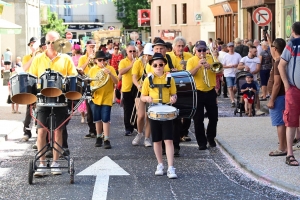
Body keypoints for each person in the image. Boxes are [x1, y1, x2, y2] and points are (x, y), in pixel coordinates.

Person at [29, 31, 77, 176]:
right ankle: (42, 164)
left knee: (58, 131)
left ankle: (55, 163)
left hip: (60, 99)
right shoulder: (38, 58)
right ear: (45, 44)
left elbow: (73, 77)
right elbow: (32, 78)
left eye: (53, 42)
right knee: (41, 131)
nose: (51, 45)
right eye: (48, 42)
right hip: (43, 100)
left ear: (59, 42)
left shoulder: (66, 59)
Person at [141, 53, 178, 179]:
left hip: (167, 111)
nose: (158, 67)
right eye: (155, 65)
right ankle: (160, 164)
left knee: (168, 140)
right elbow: (142, 96)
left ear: (164, 65)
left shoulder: (170, 79)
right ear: (151, 66)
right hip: (154, 111)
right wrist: (147, 98)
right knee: (156, 140)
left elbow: (174, 94)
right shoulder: (148, 79)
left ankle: (171, 167)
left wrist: (173, 98)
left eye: (161, 64)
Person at [187, 40, 218, 150]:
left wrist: (210, 67)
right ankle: (202, 142)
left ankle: (211, 137)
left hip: (210, 91)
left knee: (214, 117)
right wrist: (198, 66)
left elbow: (220, 70)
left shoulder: (211, 58)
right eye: (199, 50)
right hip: (197, 92)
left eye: (203, 50)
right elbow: (189, 74)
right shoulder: (191, 60)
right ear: (195, 50)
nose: (201, 52)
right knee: (198, 119)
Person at [278, 22, 300, 166]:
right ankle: (290, 154)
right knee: (291, 120)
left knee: (291, 121)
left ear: (292, 30)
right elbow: (281, 65)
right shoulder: (293, 44)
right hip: (294, 88)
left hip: (292, 87)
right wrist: (286, 85)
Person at [88, 51, 118, 148]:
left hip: (107, 97)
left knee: (105, 118)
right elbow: (91, 83)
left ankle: (107, 139)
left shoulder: (110, 68)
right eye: (99, 60)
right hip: (96, 97)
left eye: (104, 60)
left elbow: (116, 81)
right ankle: (98, 137)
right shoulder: (92, 70)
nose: (102, 62)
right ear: (95, 60)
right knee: (97, 119)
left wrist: (110, 74)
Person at [266, 37, 287, 156]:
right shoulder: (281, 59)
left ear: (275, 49)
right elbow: (273, 48)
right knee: (282, 122)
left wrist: (271, 99)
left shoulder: (278, 62)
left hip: (278, 96)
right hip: (282, 96)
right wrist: (269, 41)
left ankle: (282, 148)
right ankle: (284, 145)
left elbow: (277, 83)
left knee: (279, 122)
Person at [131, 43, 153, 147]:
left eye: (150, 55)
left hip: (151, 91)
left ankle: (147, 138)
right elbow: (134, 77)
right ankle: (139, 133)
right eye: (147, 55)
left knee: (149, 116)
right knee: (140, 116)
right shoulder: (138, 62)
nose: (148, 57)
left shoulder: (155, 63)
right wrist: (138, 85)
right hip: (140, 90)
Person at [237, 46, 265, 116]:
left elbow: (258, 69)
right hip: (245, 80)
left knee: (256, 94)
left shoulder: (257, 59)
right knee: (244, 95)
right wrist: (244, 66)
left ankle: (257, 109)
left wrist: (253, 72)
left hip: (254, 79)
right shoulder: (244, 59)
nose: (256, 53)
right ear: (250, 51)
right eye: (255, 51)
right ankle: (244, 108)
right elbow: (238, 67)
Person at [78, 40, 97, 138]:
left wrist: (95, 60)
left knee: (97, 106)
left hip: (97, 83)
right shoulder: (82, 58)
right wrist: (88, 60)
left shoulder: (98, 57)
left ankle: (99, 129)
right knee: (89, 107)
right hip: (87, 83)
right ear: (86, 47)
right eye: (90, 46)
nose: (92, 48)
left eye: (93, 46)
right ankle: (92, 130)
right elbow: (80, 69)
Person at [22, 37, 39, 141]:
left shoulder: (42, 56)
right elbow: (24, 68)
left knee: (41, 107)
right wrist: (34, 56)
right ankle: (27, 131)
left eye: (35, 45)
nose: (34, 47)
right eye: (32, 45)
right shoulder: (27, 57)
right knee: (30, 108)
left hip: (40, 84)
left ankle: (39, 131)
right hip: (30, 83)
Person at [118, 44, 138, 136]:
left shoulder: (139, 61)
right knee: (128, 109)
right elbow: (121, 72)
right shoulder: (123, 61)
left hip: (137, 88)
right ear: (126, 52)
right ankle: (128, 128)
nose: (132, 53)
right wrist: (131, 65)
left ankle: (137, 126)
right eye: (130, 51)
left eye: (134, 51)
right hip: (127, 88)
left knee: (137, 109)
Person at [222, 42, 242, 107]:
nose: (231, 48)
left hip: (236, 73)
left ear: (234, 47)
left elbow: (241, 63)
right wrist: (229, 66)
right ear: (227, 48)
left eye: (232, 46)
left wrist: (238, 65)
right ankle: (233, 101)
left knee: (235, 88)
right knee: (230, 87)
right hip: (228, 73)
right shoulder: (225, 56)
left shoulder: (238, 55)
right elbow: (222, 65)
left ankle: (231, 95)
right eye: (229, 47)